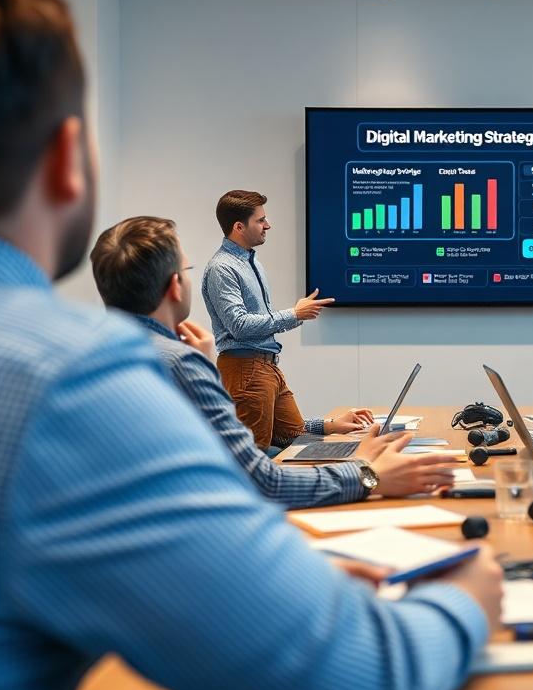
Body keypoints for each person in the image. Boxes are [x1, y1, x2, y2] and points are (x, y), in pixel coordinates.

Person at [0, 0, 501, 690]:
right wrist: (467, 597)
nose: (267, 226)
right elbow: (354, 670)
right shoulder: (71, 379)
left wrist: (271, 580)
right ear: (68, 159)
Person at [90, 216, 460, 506]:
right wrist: (367, 474)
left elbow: (245, 442)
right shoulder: (180, 363)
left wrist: (328, 427)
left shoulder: (94, 357)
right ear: (174, 286)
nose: (267, 225)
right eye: (187, 271)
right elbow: (261, 481)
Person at [202, 189, 362, 450]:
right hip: (246, 368)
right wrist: (294, 314)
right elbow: (239, 326)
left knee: (294, 440)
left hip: (266, 366)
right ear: (239, 227)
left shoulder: (252, 263)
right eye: (260, 220)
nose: (268, 225)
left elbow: (292, 434)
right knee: (253, 456)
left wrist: (331, 424)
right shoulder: (222, 268)